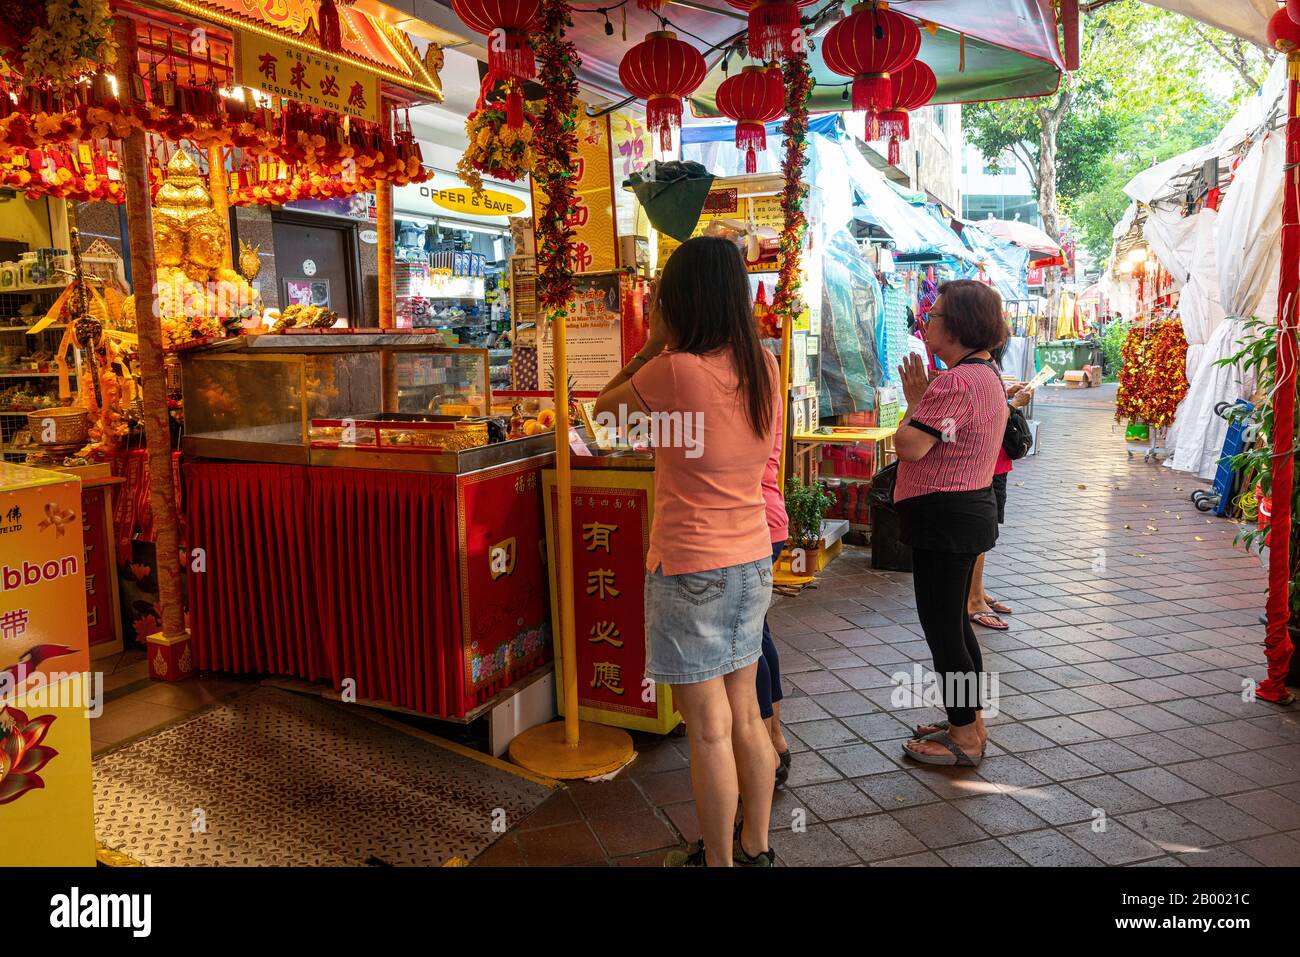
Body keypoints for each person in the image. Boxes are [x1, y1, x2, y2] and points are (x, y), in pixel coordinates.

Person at [595, 235, 780, 867]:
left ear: (682, 301)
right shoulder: (764, 367)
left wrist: (649, 345)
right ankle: (755, 849)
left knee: (708, 730)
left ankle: (718, 863)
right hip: (753, 561)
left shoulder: (673, 370)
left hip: (691, 567)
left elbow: (602, 415)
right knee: (747, 717)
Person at [892, 280, 1009, 767]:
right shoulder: (984, 375)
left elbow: (909, 446)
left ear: (958, 326)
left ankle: (964, 737)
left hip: (945, 520)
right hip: (964, 515)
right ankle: (970, 721)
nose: (927, 321)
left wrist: (917, 401)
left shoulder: (955, 382)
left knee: (944, 632)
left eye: (935, 315)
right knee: (955, 628)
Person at [967, 360, 1035, 631]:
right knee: (980, 535)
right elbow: (983, 417)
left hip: (997, 463)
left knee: (986, 534)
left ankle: (977, 590)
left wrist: (1006, 395)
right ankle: (972, 600)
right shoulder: (972, 366)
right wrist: (1013, 404)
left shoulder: (984, 363)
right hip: (987, 465)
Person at [757, 399, 791, 784]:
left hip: (751, 528)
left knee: (750, 642)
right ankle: (774, 738)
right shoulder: (763, 368)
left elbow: (609, 408)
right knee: (758, 633)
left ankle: (766, 744)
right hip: (770, 522)